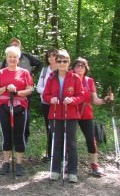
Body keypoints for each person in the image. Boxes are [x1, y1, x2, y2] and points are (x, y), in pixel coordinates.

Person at [43, 50, 84, 183]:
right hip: (55, 114)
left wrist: (73, 100)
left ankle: (72, 171)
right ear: (56, 62)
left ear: (69, 63)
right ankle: (55, 170)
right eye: (59, 61)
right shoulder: (51, 77)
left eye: (64, 61)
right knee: (57, 142)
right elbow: (45, 95)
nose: (61, 63)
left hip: (71, 114)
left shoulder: (75, 77)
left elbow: (82, 95)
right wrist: (51, 99)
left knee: (71, 143)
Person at [0, 46, 34, 177]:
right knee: (6, 134)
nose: (12, 59)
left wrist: (16, 91)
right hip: (4, 106)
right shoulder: (0, 73)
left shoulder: (25, 73)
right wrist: (6, 87)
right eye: (10, 56)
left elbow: (30, 90)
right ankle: (6, 162)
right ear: (6, 58)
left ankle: (19, 164)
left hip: (20, 106)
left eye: (14, 57)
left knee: (19, 134)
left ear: (18, 58)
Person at [71, 57, 114, 177]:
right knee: (70, 140)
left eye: (82, 66)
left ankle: (94, 165)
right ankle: (69, 164)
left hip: (86, 113)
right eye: (77, 66)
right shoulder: (69, 79)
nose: (79, 68)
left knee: (91, 139)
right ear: (73, 68)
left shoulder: (89, 81)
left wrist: (106, 100)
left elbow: (96, 100)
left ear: (86, 68)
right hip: (71, 113)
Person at [0, 38, 43, 142]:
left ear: (20, 46)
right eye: (12, 45)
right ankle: (11, 140)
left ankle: (24, 138)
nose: (14, 47)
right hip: (9, 92)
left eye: (16, 45)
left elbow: (40, 64)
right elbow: (0, 73)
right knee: (10, 114)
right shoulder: (7, 59)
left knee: (25, 115)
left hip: (24, 91)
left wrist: (32, 74)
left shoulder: (26, 57)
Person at [36, 48, 58, 162]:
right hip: (46, 103)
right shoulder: (45, 71)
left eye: (54, 55)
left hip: (59, 105)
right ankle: (50, 154)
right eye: (49, 56)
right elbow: (38, 87)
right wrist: (48, 93)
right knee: (49, 128)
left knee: (59, 128)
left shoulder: (62, 70)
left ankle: (60, 154)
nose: (51, 58)